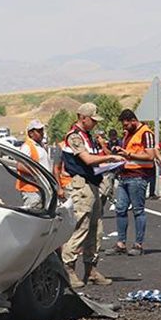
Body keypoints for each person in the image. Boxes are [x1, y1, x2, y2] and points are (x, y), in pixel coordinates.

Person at [60, 103, 124, 288]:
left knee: (96, 229)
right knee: (81, 226)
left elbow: (93, 160)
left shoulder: (89, 137)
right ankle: (68, 268)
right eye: (92, 120)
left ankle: (91, 269)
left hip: (93, 183)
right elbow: (87, 160)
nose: (95, 124)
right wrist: (110, 159)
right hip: (82, 185)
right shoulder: (74, 137)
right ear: (83, 118)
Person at [110, 109, 156, 256]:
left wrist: (128, 154)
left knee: (138, 210)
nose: (124, 127)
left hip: (138, 176)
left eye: (126, 124)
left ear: (133, 120)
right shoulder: (128, 134)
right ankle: (121, 243)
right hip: (124, 176)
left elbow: (150, 156)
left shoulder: (146, 133)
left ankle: (138, 244)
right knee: (121, 209)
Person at [16, 119, 55, 211]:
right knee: (33, 215)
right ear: (31, 133)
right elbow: (20, 165)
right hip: (32, 190)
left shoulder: (40, 146)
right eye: (38, 131)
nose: (41, 133)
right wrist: (38, 174)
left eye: (42, 130)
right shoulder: (27, 146)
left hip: (42, 189)